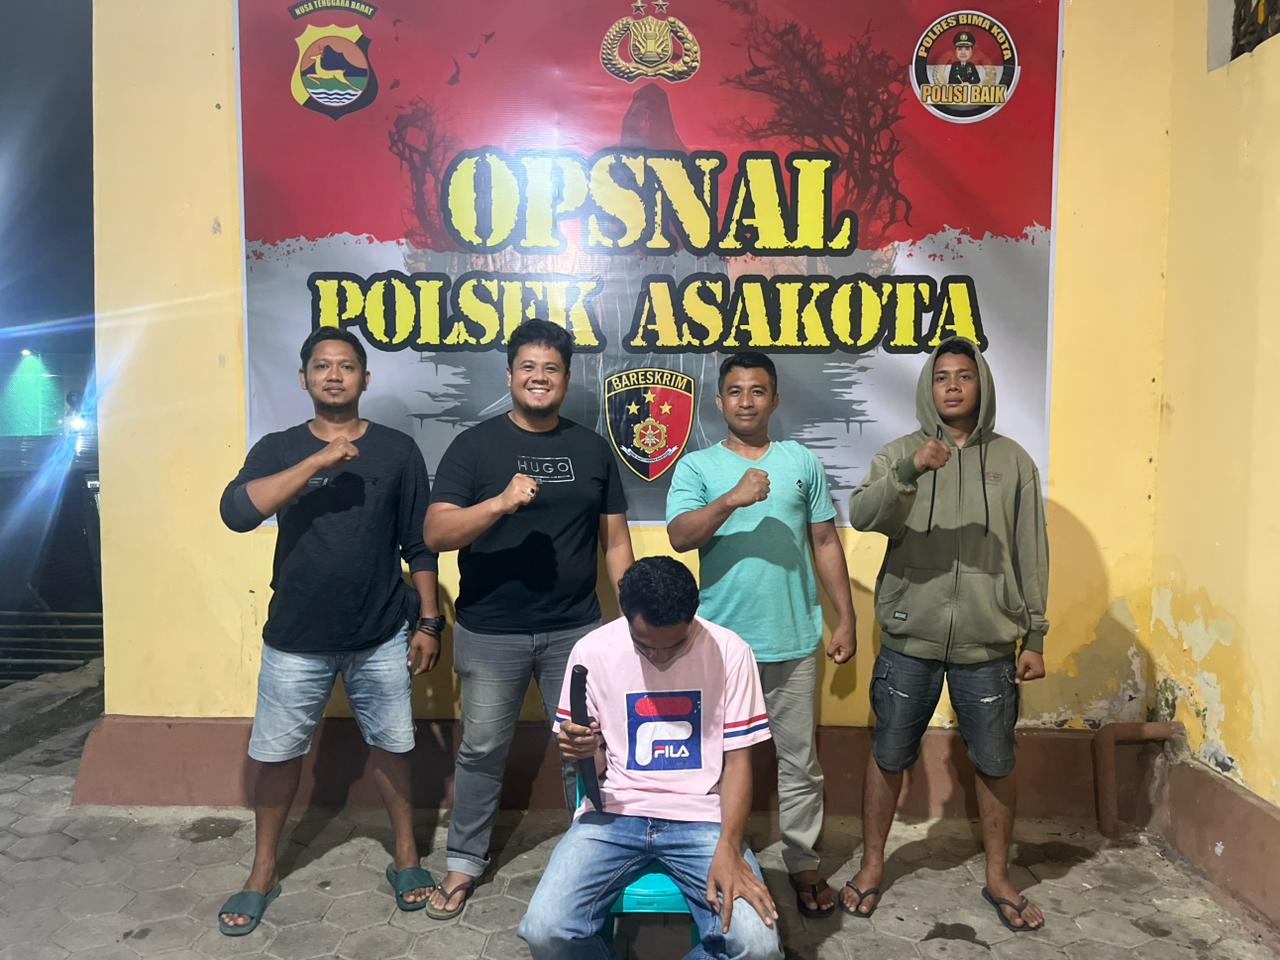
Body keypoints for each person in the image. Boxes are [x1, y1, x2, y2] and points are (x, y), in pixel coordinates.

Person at [217, 327, 442, 935]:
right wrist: (318, 460)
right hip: (296, 634)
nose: (334, 375)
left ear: (366, 379)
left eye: (347, 366)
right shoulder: (279, 447)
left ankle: (406, 858)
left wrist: (429, 621)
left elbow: (419, 544)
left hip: (380, 631)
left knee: (394, 746)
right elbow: (237, 513)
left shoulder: (397, 451)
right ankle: (262, 871)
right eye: (322, 366)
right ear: (304, 379)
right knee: (277, 754)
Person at [423, 318, 635, 919]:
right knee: (483, 749)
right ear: (510, 374)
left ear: (565, 379)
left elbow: (616, 542)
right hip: (491, 631)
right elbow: (436, 533)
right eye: (528, 367)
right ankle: (465, 861)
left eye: (551, 368)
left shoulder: (592, 449)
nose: (539, 377)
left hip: (576, 631)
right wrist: (498, 502)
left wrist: (633, 618)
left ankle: (593, 856)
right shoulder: (475, 446)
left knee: (584, 748)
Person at [844, 337, 1049, 932]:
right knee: (889, 754)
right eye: (941, 377)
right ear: (927, 388)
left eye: (964, 375)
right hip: (910, 638)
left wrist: (1035, 634)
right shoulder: (900, 453)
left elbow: (1032, 551)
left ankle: (998, 877)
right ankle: (873, 866)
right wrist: (911, 470)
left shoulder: (1013, 462)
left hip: (989, 643)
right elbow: (863, 515)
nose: (953, 385)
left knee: (996, 761)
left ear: (981, 384)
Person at [665, 352, 856, 917]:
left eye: (757, 390)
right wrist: (731, 499)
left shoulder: (801, 461)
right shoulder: (697, 467)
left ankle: (803, 862)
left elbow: (825, 542)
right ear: (718, 401)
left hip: (793, 639)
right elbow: (679, 536)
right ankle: (715, 852)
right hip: (720, 647)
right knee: (712, 759)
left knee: (800, 762)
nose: (746, 401)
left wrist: (845, 617)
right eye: (735, 391)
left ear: (774, 399)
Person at [517, 557, 783, 960]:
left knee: (757, 948)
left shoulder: (730, 651)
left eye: (674, 645)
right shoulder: (592, 651)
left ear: (693, 617)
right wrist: (582, 752)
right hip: (613, 813)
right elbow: (592, 765)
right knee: (545, 931)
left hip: (703, 818)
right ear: (625, 617)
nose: (659, 658)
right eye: (644, 646)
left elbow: (739, 764)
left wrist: (729, 846)